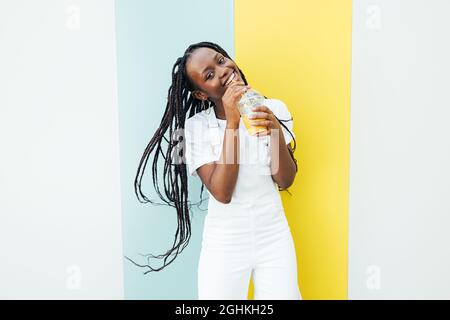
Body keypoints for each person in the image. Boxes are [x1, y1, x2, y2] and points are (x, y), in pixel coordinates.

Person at [132, 41, 301, 300]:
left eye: (221, 60)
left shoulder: (274, 108)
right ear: (201, 94)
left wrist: (275, 130)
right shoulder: (195, 128)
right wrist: (232, 121)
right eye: (209, 75)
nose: (223, 71)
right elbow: (222, 193)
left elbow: (286, 179)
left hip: (274, 237)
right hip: (225, 244)